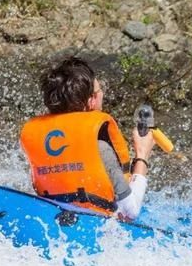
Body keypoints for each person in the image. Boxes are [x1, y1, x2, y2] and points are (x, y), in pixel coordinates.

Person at [20, 57, 155, 220]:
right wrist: (142, 155)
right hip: (94, 227)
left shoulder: (39, 140)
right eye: (99, 91)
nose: (102, 95)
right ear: (92, 100)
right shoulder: (100, 146)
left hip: (51, 219)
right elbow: (130, 212)